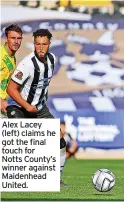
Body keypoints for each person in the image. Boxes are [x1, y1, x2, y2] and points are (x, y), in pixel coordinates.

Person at [6, 29, 67, 187]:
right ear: (33, 44)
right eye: (37, 44)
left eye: (44, 44)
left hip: (40, 109)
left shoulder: (52, 59)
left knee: (60, 139)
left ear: (49, 45)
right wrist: (27, 105)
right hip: (21, 107)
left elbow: (42, 85)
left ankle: (56, 179)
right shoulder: (27, 64)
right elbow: (11, 89)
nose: (40, 47)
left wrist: (40, 104)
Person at [1, 24, 23, 118]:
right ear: (6, 38)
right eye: (13, 38)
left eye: (19, 38)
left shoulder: (12, 57)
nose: (16, 42)